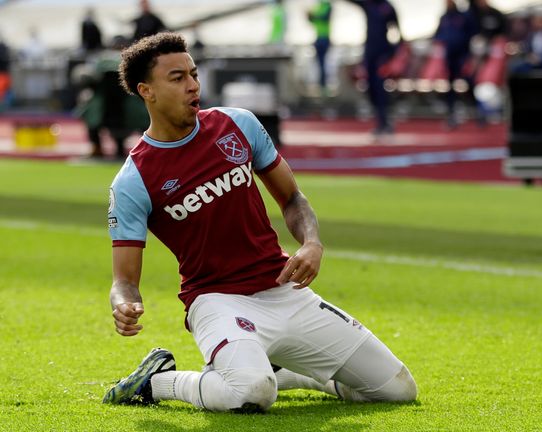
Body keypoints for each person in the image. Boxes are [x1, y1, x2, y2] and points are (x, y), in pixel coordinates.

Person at [102, 32, 417, 412]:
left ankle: (295, 374)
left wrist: (312, 243)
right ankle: (156, 382)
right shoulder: (134, 178)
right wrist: (124, 304)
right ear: (146, 91)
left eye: (194, 74)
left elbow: (293, 199)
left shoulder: (237, 124)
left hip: (283, 288)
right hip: (217, 301)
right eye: (177, 78)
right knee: (251, 392)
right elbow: (124, 281)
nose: (192, 85)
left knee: (397, 389)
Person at [341, 0, 401, 135]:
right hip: (369, 55)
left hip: (381, 56)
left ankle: (384, 122)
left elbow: (397, 33)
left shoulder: (387, 8)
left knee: (380, 89)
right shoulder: (369, 5)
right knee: (370, 88)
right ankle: (382, 121)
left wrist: (390, 55)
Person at [434, 0, 477, 129]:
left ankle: (478, 113)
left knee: (469, 84)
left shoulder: (464, 16)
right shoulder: (444, 18)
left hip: (463, 56)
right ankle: (452, 115)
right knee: (450, 87)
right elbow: (438, 35)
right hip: (450, 57)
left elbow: (473, 34)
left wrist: (470, 56)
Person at [308, 0, 333, 93]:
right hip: (318, 38)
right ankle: (321, 84)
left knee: (324, 63)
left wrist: (313, 16)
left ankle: (324, 84)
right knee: (319, 63)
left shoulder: (327, 7)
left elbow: (324, 18)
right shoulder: (318, 7)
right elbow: (312, 20)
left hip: (324, 38)